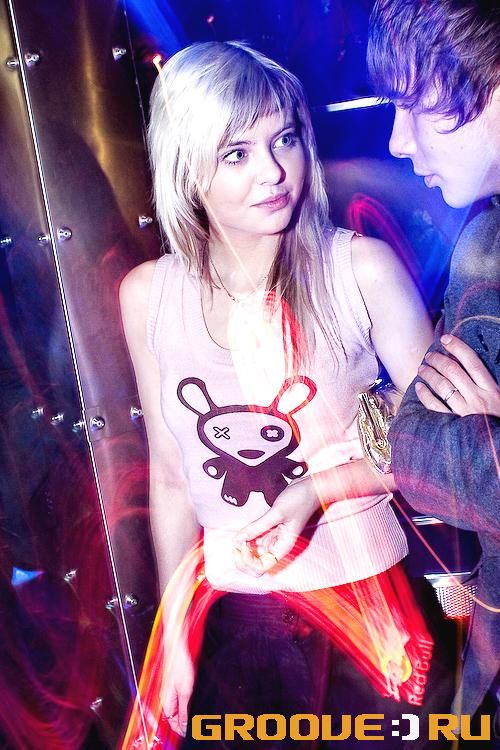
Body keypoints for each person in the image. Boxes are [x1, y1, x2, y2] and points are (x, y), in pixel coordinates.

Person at [120, 41, 455, 749]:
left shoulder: (360, 270)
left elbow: (447, 453)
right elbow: (174, 478)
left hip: (371, 607)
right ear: (186, 168)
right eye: (236, 153)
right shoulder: (148, 296)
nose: (274, 171)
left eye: (285, 139)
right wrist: (172, 632)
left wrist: (320, 489)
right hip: (236, 625)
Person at [367, 0, 500, 727]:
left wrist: (463, 438)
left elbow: (422, 455)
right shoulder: (484, 235)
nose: (396, 140)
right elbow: (423, 445)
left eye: (413, 104)